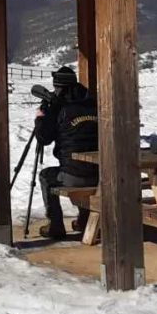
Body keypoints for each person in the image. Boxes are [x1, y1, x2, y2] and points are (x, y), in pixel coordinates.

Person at [34, 66, 99, 239]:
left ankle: (55, 225)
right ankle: (84, 220)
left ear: (58, 86)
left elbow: (43, 138)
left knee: (47, 176)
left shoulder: (58, 107)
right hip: (100, 172)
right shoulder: (94, 103)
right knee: (81, 168)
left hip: (73, 175)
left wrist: (40, 119)